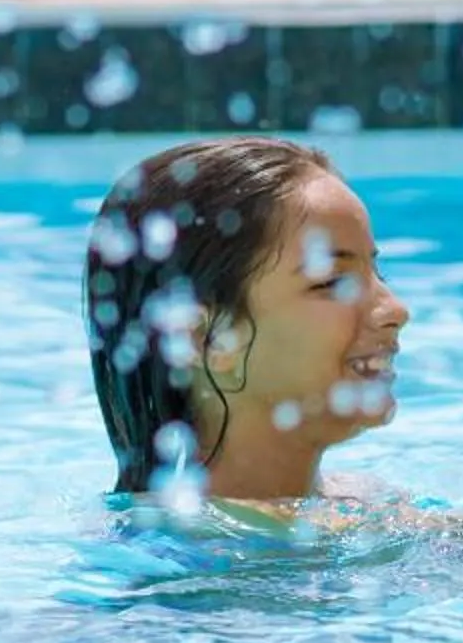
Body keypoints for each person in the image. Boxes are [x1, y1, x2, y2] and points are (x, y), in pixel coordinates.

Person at [82, 136, 410, 505]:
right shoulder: (186, 538)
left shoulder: (362, 500)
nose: (396, 310)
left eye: (376, 272)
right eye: (332, 282)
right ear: (207, 337)